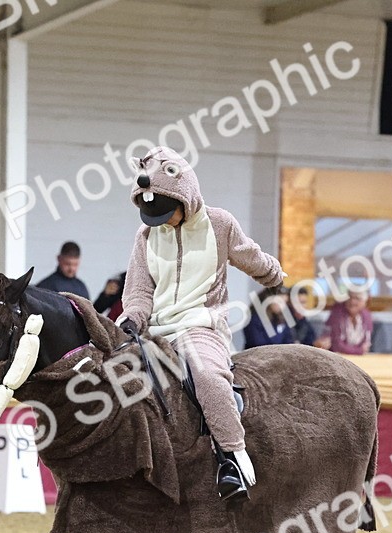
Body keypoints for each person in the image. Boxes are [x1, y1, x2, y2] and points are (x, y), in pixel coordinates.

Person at [119, 146, 285, 501]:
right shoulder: (145, 236)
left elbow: (249, 255)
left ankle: (232, 458)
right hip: (154, 331)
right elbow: (137, 289)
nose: (162, 222)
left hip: (200, 325)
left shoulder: (220, 224)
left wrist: (274, 275)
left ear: (187, 196)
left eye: (168, 213)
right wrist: (132, 317)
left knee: (207, 376)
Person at [243, 286, 315, 348]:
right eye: (280, 302)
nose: (283, 306)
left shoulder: (281, 320)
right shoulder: (254, 320)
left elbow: (288, 340)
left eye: (285, 302)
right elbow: (257, 344)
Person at [315, 288, 374, 354]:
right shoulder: (337, 312)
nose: (352, 301)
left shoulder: (366, 315)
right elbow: (337, 345)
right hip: (336, 356)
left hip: (357, 357)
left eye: (357, 298)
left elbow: (366, 344)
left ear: (365, 302)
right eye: (350, 297)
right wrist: (358, 351)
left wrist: (359, 351)